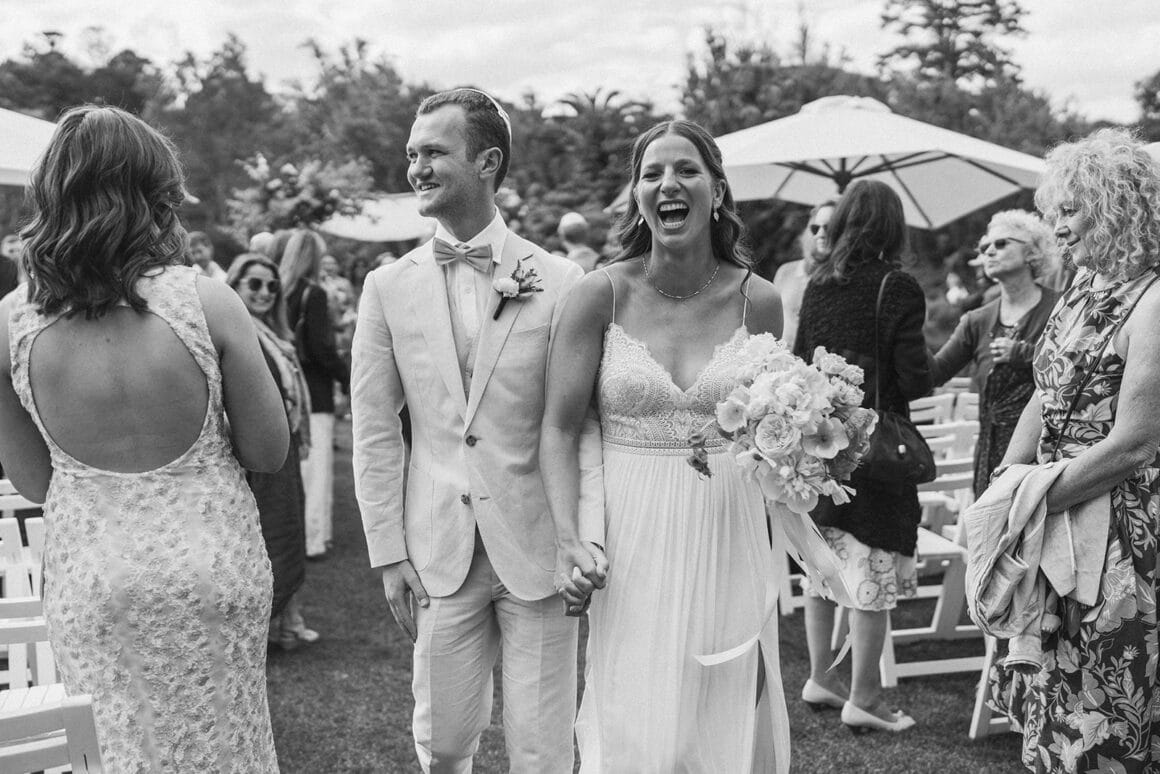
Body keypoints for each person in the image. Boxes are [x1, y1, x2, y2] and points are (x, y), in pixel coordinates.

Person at [0, 105, 287, 770]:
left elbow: (35, 482)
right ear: (154, 192)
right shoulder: (207, 302)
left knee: (121, 750)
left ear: (53, 191)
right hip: (214, 569)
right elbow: (268, 451)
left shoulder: (10, 322)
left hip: (94, 579)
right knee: (228, 745)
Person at [351, 87, 600, 773]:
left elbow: (580, 424)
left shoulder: (561, 280)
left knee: (542, 749)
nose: (416, 169)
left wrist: (585, 537)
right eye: (412, 155)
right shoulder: (385, 287)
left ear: (487, 162)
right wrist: (387, 551)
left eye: (433, 152)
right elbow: (375, 429)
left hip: (540, 548)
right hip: (437, 547)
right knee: (442, 742)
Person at [541, 119, 790, 772]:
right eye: (651, 174)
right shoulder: (599, 294)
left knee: (717, 721)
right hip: (631, 536)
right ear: (637, 195)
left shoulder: (760, 301)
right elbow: (559, 427)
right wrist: (569, 540)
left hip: (729, 527)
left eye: (685, 170)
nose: (668, 184)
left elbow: (772, 425)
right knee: (639, 728)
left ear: (717, 190)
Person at [987, 128, 1160, 772]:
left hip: (1120, 529)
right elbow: (1046, 389)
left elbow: (1136, 444)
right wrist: (1009, 475)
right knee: (1056, 707)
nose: (1056, 226)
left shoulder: (1154, 301)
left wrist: (1032, 500)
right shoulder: (1083, 288)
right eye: (1053, 210)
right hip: (1056, 509)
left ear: (1119, 207)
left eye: (1071, 210)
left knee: (1111, 710)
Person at [794, 179, 932, 733]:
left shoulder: (818, 283)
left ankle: (821, 679)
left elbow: (800, 362)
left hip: (823, 444)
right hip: (876, 451)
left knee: (824, 566)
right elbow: (914, 379)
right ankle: (866, 698)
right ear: (893, 227)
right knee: (873, 566)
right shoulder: (897, 287)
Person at [929, 210, 1060, 496]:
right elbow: (933, 374)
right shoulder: (977, 320)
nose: (989, 251)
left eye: (1001, 244)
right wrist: (904, 329)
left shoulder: (1061, 308)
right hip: (990, 458)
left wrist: (1024, 354)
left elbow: (1074, 368)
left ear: (1031, 252)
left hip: (1047, 457)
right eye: (984, 246)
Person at [228, 253, 319, 651]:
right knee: (271, 536)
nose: (264, 292)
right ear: (234, 285)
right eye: (254, 284)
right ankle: (263, 631)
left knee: (288, 531)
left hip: (285, 443)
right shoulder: (237, 332)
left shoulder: (271, 332)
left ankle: (287, 624)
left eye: (271, 286)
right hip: (259, 451)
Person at [281, 229, 349, 560]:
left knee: (300, 467)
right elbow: (322, 347)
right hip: (315, 389)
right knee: (317, 468)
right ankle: (314, 539)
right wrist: (347, 376)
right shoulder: (314, 293)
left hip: (288, 387)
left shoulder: (281, 290)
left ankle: (302, 536)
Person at [771, 200, 835, 347]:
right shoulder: (786, 271)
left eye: (828, 228)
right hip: (781, 357)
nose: (821, 234)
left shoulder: (841, 279)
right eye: (815, 228)